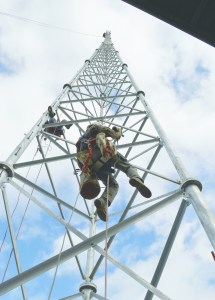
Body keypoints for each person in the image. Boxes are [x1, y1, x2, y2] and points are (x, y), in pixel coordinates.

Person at [76, 123, 152, 222]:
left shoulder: (80, 143)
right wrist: (118, 132)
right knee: (127, 166)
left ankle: (103, 202)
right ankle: (136, 178)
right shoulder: (96, 129)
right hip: (104, 152)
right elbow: (113, 134)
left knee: (113, 185)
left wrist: (91, 175)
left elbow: (81, 164)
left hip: (95, 167)